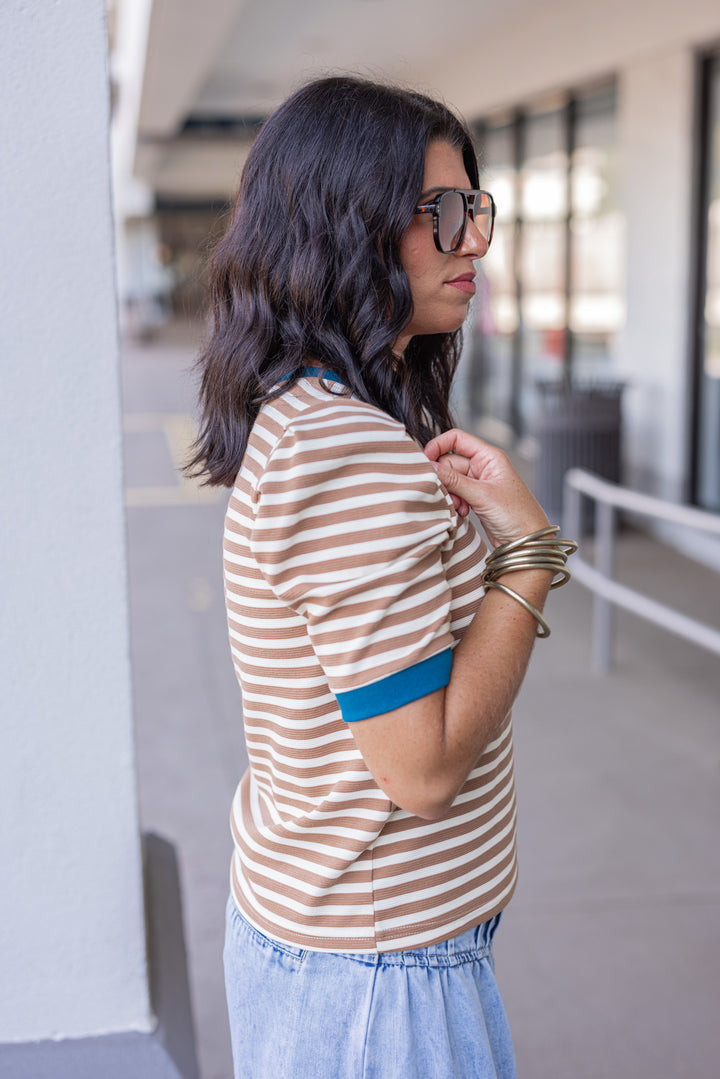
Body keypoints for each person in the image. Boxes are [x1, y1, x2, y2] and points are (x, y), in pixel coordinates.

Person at [187, 75, 576, 1079]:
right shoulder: (348, 451)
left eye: (476, 207)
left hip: (342, 946)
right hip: (380, 975)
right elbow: (423, 768)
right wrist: (528, 552)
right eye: (441, 212)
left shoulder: (308, 411)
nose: (474, 240)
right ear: (342, 225)